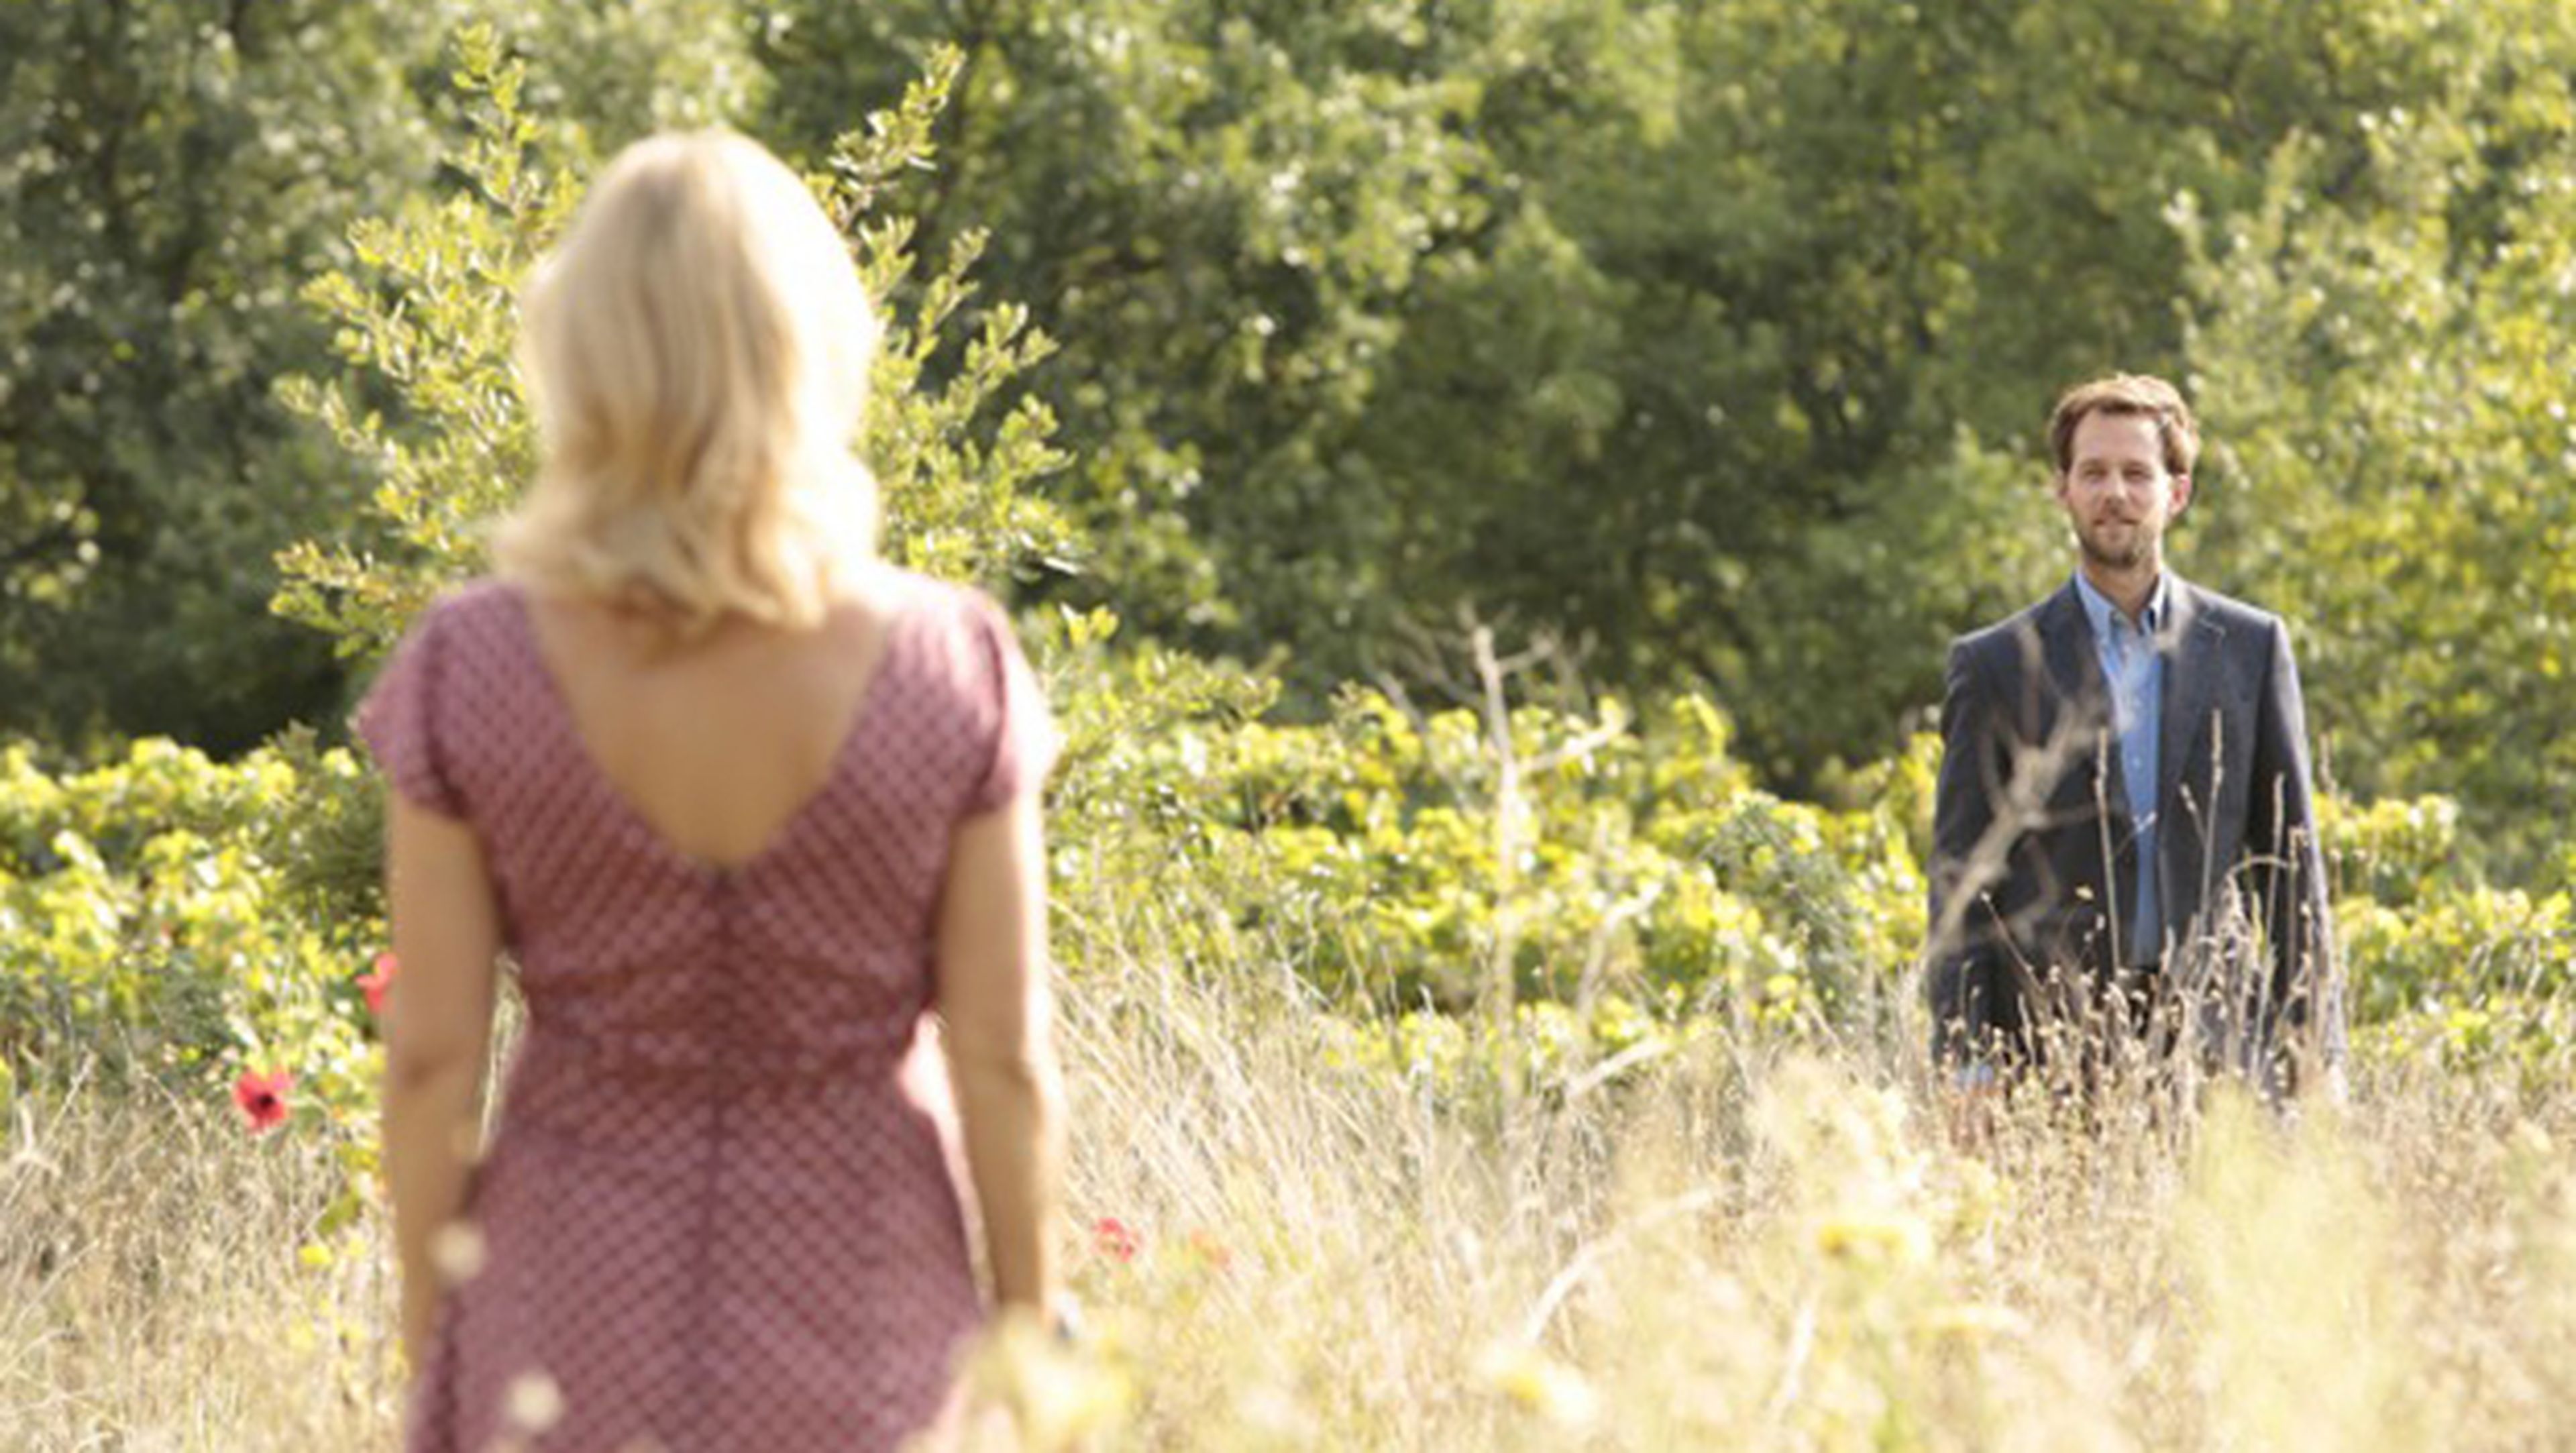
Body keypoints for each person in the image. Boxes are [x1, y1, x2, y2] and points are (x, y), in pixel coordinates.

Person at [357, 131, 1065, 1450]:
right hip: (870, 1318)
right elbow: (1003, 1060)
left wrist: (435, 1337)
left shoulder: (474, 664)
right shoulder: (949, 661)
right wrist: (1035, 1338)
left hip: (562, 1320)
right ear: (815, 354)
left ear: (579, 356)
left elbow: (433, 1062)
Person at [1923, 373, 2345, 1100]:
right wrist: (1967, 1063)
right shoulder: (1994, 664)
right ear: (2063, 490)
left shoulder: (2248, 647)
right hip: (2047, 1052)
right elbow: (1962, 881)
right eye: (2093, 473)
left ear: (2175, 493)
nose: (2114, 493)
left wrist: (2317, 1051)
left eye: (2135, 474)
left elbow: (2292, 864)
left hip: (2220, 1055)